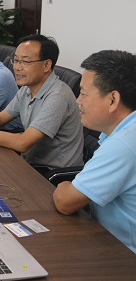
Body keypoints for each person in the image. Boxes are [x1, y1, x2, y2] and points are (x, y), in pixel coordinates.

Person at [0, 34, 83, 171]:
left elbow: (23, 143)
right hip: (29, 162)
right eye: (16, 60)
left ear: (46, 65)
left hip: (52, 173)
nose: (17, 67)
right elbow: (0, 118)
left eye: (25, 62)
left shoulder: (57, 96)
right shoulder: (27, 88)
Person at [53, 50, 136, 253]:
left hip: (122, 256)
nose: (78, 101)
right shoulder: (125, 130)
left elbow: (65, 202)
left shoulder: (123, 144)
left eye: (83, 93)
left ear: (112, 99)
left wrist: (64, 185)